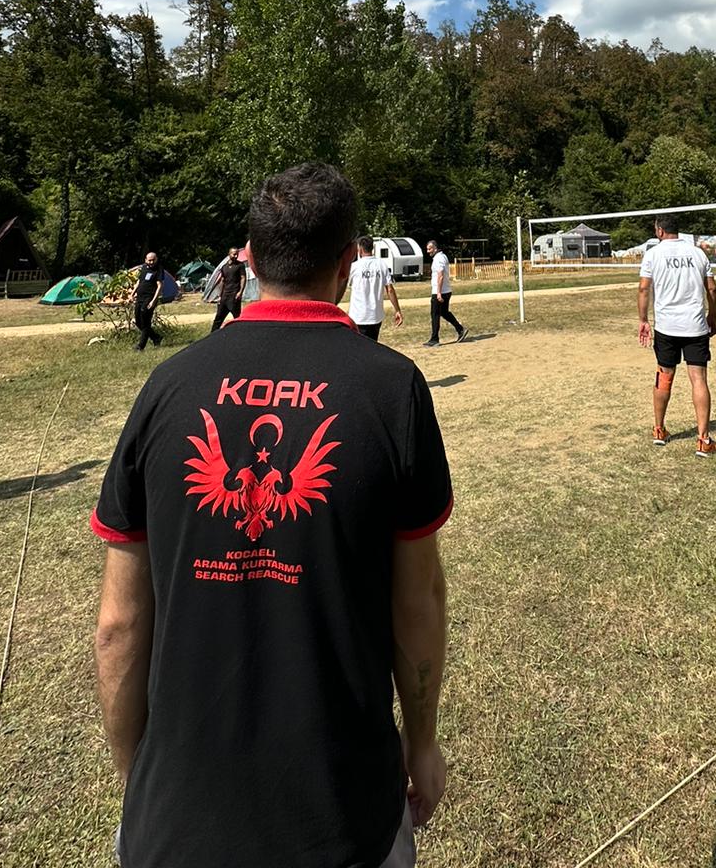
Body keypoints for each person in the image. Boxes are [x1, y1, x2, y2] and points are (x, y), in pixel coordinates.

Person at [92, 163, 452, 868]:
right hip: (342, 815)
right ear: (347, 263)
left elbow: (119, 624)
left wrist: (138, 775)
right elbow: (418, 602)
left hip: (176, 816)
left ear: (250, 259)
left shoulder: (168, 386)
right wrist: (422, 742)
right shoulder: (392, 390)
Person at [638, 216, 716, 453]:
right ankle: (703, 440)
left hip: (666, 327)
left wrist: (643, 320)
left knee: (664, 377)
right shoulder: (697, 253)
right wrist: (712, 315)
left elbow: (643, 288)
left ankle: (659, 429)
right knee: (698, 379)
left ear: (660, 231)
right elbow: (712, 289)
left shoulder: (653, 254)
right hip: (695, 326)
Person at [347, 236, 404, 340]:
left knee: (359, 346)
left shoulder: (354, 267)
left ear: (360, 249)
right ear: (372, 248)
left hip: (358, 316)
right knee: (373, 344)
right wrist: (397, 310)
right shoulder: (382, 265)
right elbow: (390, 289)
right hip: (375, 316)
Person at [424, 240, 466, 347]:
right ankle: (460, 329)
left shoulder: (439, 258)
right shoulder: (442, 257)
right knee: (444, 312)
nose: (428, 251)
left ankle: (434, 339)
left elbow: (440, 275)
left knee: (435, 314)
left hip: (440, 292)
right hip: (446, 290)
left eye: (430, 249)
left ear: (435, 248)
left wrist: (438, 293)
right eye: (427, 249)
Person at [209, 246, 247, 332]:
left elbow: (243, 278)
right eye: (234, 254)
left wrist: (240, 292)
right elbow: (222, 281)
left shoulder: (240, 265)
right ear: (229, 254)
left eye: (237, 254)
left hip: (234, 295)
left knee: (237, 317)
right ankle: (212, 334)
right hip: (224, 296)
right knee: (218, 317)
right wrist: (220, 295)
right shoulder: (224, 267)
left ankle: (241, 333)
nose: (236, 256)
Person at [132, 251, 164, 350]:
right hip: (140, 298)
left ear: (156, 259)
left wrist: (153, 301)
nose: (151, 262)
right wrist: (132, 292)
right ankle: (156, 337)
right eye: (149, 260)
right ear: (146, 260)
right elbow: (139, 281)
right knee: (138, 322)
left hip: (149, 298)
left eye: (153, 260)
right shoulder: (143, 268)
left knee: (145, 321)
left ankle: (140, 346)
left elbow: (159, 286)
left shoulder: (159, 269)